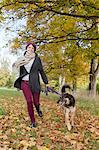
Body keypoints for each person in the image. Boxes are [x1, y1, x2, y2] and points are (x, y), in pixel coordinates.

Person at [12, 42, 48, 128]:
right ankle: (33, 121)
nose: (30, 49)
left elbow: (41, 71)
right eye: (29, 48)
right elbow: (20, 71)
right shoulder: (21, 59)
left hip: (35, 83)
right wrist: (19, 84)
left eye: (32, 48)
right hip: (24, 83)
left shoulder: (37, 59)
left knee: (36, 102)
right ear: (26, 48)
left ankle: (38, 109)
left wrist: (46, 82)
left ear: (34, 50)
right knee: (29, 101)